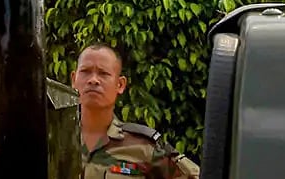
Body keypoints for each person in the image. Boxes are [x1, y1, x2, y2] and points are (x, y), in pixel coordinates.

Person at [72, 43, 200, 179]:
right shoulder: (53, 140)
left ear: (120, 85)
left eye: (103, 73)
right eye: (85, 71)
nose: (93, 80)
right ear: (74, 80)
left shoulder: (144, 147)